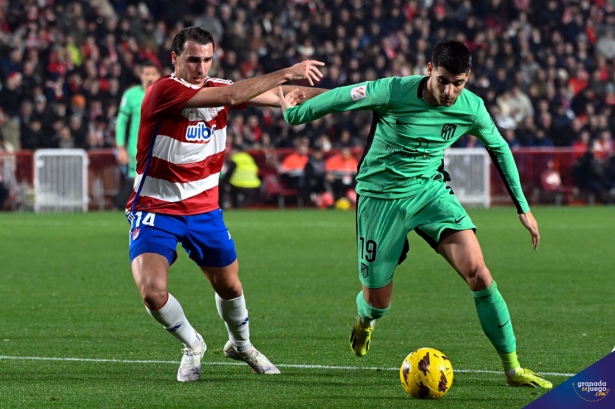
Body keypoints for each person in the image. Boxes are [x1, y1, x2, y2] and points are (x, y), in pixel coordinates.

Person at [280, 40, 552, 389]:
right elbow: (341, 97)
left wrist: (523, 208)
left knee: (480, 275)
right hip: (380, 199)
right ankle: (366, 319)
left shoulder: (472, 108)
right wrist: (294, 113)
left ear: (468, 78)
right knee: (378, 302)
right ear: (429, 70)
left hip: (429, 192)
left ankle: (513, 367)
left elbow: (499, 147)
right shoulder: (392, 91)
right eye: (443, 80)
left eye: (459, 82)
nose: (450, 91)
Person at [125, 26, 324, 382]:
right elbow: (233, 97)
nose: (201, 68)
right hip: (157, 208)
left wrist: (357, 96)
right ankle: (192, 345)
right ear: (174, 59)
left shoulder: (218, 87)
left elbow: (286, 93)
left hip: (204, 210)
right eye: (192, 60)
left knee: (230, 287)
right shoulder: (164, 91)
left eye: (206, 60)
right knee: (153, 293)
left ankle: (241, 345)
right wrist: (287, 70)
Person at [114, 61, 161, 209]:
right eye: (146, 74)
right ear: (141, 76)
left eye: (153, 74)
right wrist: (120, 147)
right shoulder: (130, 95)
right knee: (138, 185)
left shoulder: (166, 95)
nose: (150, 77)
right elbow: (121, 122)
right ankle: (135, 218)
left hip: (161, 150)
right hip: (137, 149)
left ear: (159, 76)